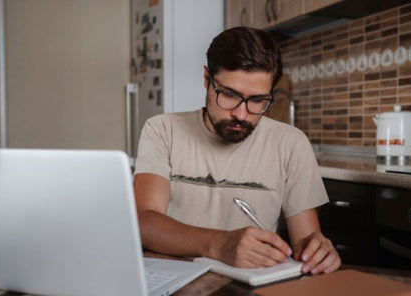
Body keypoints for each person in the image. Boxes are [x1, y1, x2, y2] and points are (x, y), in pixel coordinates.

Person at [133, 26, 341, 275]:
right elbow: (143, 222)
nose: (240, 114)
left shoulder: (291, 143)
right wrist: (220, 244)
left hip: (254, 288)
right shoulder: (162, 130)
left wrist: (318, 252)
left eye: (257, 101)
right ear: (207, 79)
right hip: (172, 279)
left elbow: (306, 242)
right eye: (229, 95)